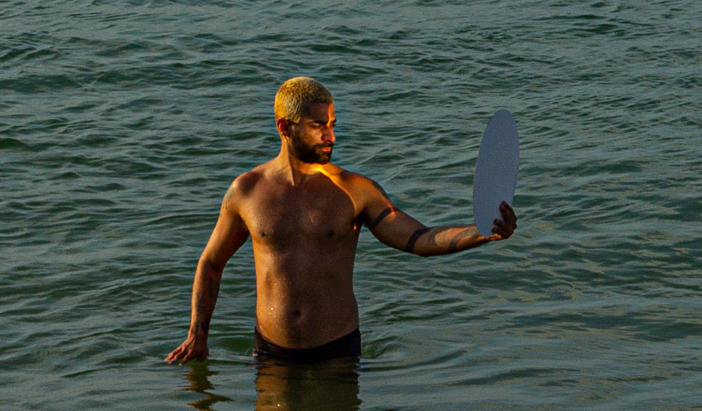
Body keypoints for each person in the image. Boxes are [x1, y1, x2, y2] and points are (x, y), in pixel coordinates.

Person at [165, 76, 516, 364]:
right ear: (284, 127)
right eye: (318, 126)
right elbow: (211, 263)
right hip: (271, 352)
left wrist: (480, 233)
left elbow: (419, 239)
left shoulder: (355, 190)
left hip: (337, 352)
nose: (330, 136)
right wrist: (197, 335)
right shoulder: (247, 191)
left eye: (332, 125)